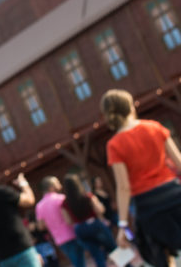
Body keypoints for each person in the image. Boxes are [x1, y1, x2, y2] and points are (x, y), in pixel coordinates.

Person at [101, 89, 181, 257]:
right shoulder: (154, 127)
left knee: (162, 255)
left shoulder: (115, 144)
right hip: (174, 194)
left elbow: (123, 188)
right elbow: (179, 163)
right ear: (130, 106)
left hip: (148, 205)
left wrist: (122, 225)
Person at [60, 173, 116, 267]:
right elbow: (99, 210)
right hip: (94, 224)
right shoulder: (87, 196)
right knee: (113, 248)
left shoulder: (64, 204)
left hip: (80, 229)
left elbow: (69, 221)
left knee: (97, 256)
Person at [34, 176, 84, 267]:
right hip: (72, 234)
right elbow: (70, 218)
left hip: (59, 240)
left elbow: (41, 226)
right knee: (80, 262)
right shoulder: (61, 199)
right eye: (57, 183)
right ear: (51, 187)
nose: (60, 185)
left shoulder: (39, 206)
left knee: (75, 262)